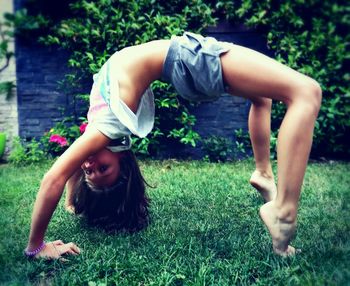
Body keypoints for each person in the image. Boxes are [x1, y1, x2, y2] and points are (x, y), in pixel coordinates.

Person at [24, 32, 322, 259]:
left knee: (262, 96)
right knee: (306, 93)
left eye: (92, 171)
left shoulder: (96, 135)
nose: (89, 165)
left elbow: (74, 167)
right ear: (123, 160)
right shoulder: (106, 131)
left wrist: (72, 201)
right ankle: (283, 212)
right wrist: (36, 247)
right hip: (186, 59)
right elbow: (54, 177)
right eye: (103, 169)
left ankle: (263, 174)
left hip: (182, 60)